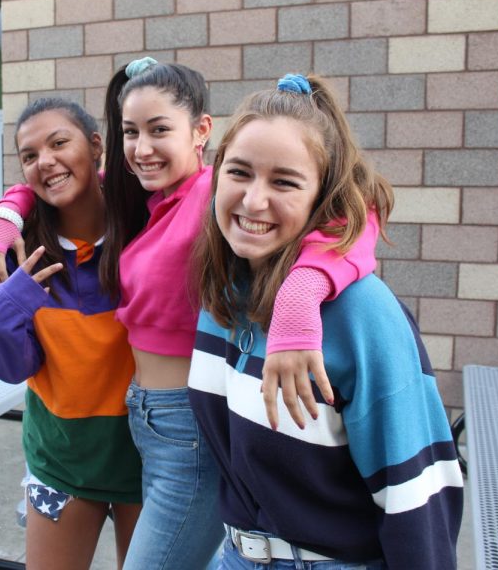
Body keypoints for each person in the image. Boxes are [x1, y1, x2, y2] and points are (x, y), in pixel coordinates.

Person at [0, 60, 380, 569]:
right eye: (132, 133)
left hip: (171, 433)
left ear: (202, 131)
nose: (143, 148)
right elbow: (54, 181)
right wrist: (6, 216)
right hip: (102, 443)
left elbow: (351, 208)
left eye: (159, 130)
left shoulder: (188, 198)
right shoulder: (118, 213)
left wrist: (300, 298)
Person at [188, 73, 463, 569]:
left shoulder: (363, 314)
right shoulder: (223, 294)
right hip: (234, 554)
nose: (253, 200)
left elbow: (416, 494)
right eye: (240, 172)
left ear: (323, 198)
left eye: (285, 182)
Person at [0, 98, 142, 570]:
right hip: (61, 463)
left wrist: (7, 205)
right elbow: (11, 367)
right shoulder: (18, 249)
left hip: (152, 464)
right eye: (29, 156)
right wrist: (8, 300)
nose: (45, 161)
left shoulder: (146, 228)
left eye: (58, 143)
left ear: (95, 147)